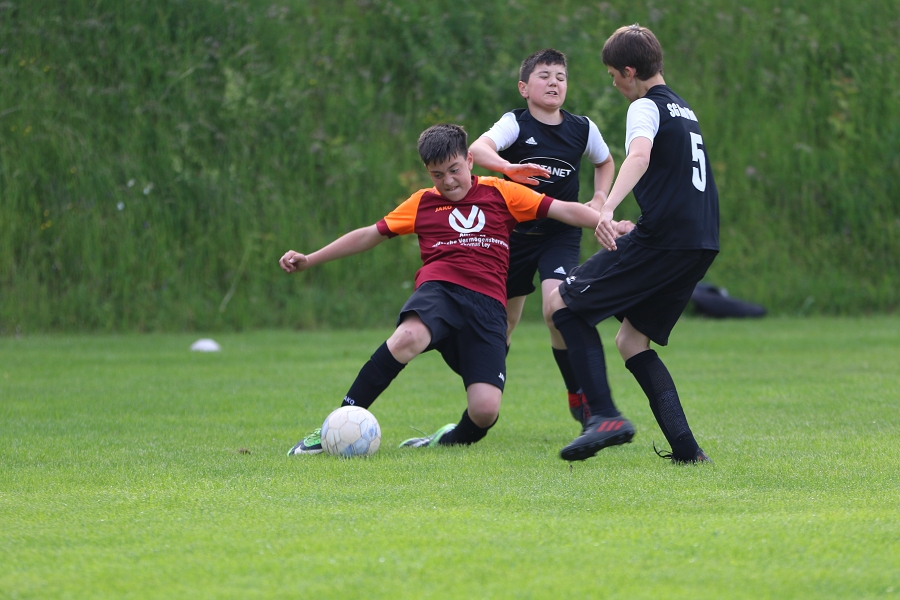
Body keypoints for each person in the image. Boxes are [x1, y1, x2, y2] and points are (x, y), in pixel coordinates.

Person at [281, 124, 605, 455]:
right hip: (441, 292)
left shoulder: (501, 192)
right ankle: (332, 428)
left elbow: (563, 209)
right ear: (428, 172)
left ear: (469, 160)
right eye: (437, 175)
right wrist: (310, 259)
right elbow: (369, 234)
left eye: (454, 170)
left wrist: (606, 223)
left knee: (485, 411)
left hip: (488, 308)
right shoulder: (422, 202)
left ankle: (444, 440)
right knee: (407, 338)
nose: (448, 181)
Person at [546, 25, 720, 463]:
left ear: (629, 71)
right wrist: (636, 225)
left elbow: (639, 156)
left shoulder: (645, 106)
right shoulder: (683, 108)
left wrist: (606, 209)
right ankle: (687, 451)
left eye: (613, 75)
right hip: (698, 241)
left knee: (563, 303)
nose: (614, 84)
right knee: (631, 341)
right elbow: (677, 184)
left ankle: (604, 416)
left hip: (666, 240)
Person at [469, 49, 632, 426]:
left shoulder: (582, 128)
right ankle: (484, 404)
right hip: (512, 236)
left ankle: (577, 393)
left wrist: (600, 198)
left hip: (559, 235)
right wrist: (509, 167)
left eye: (561, 76)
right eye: (544, 76)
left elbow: (605, 161)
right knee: (503, 323)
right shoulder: (515, 123)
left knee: (556, 309)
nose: (554, 82)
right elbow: (477, 149)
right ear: (524, 88)